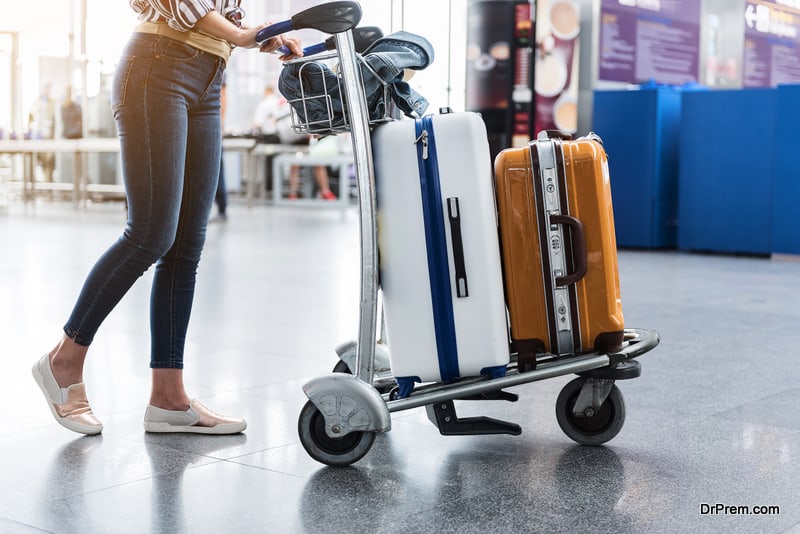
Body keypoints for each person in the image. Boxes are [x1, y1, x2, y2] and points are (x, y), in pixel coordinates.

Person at [31, 1, 302, 436]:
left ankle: (168, 398)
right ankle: (63, 359)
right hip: (159, 65)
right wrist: (240, 33)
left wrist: (259, 34)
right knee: (150, 233)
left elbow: (218, 14)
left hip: (210, 74)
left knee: (186, 246)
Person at [212, 75, 229, 221]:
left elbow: (223, 95)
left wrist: (220, 123)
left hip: (213, 122)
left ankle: (222, 208)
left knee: (216, 167)